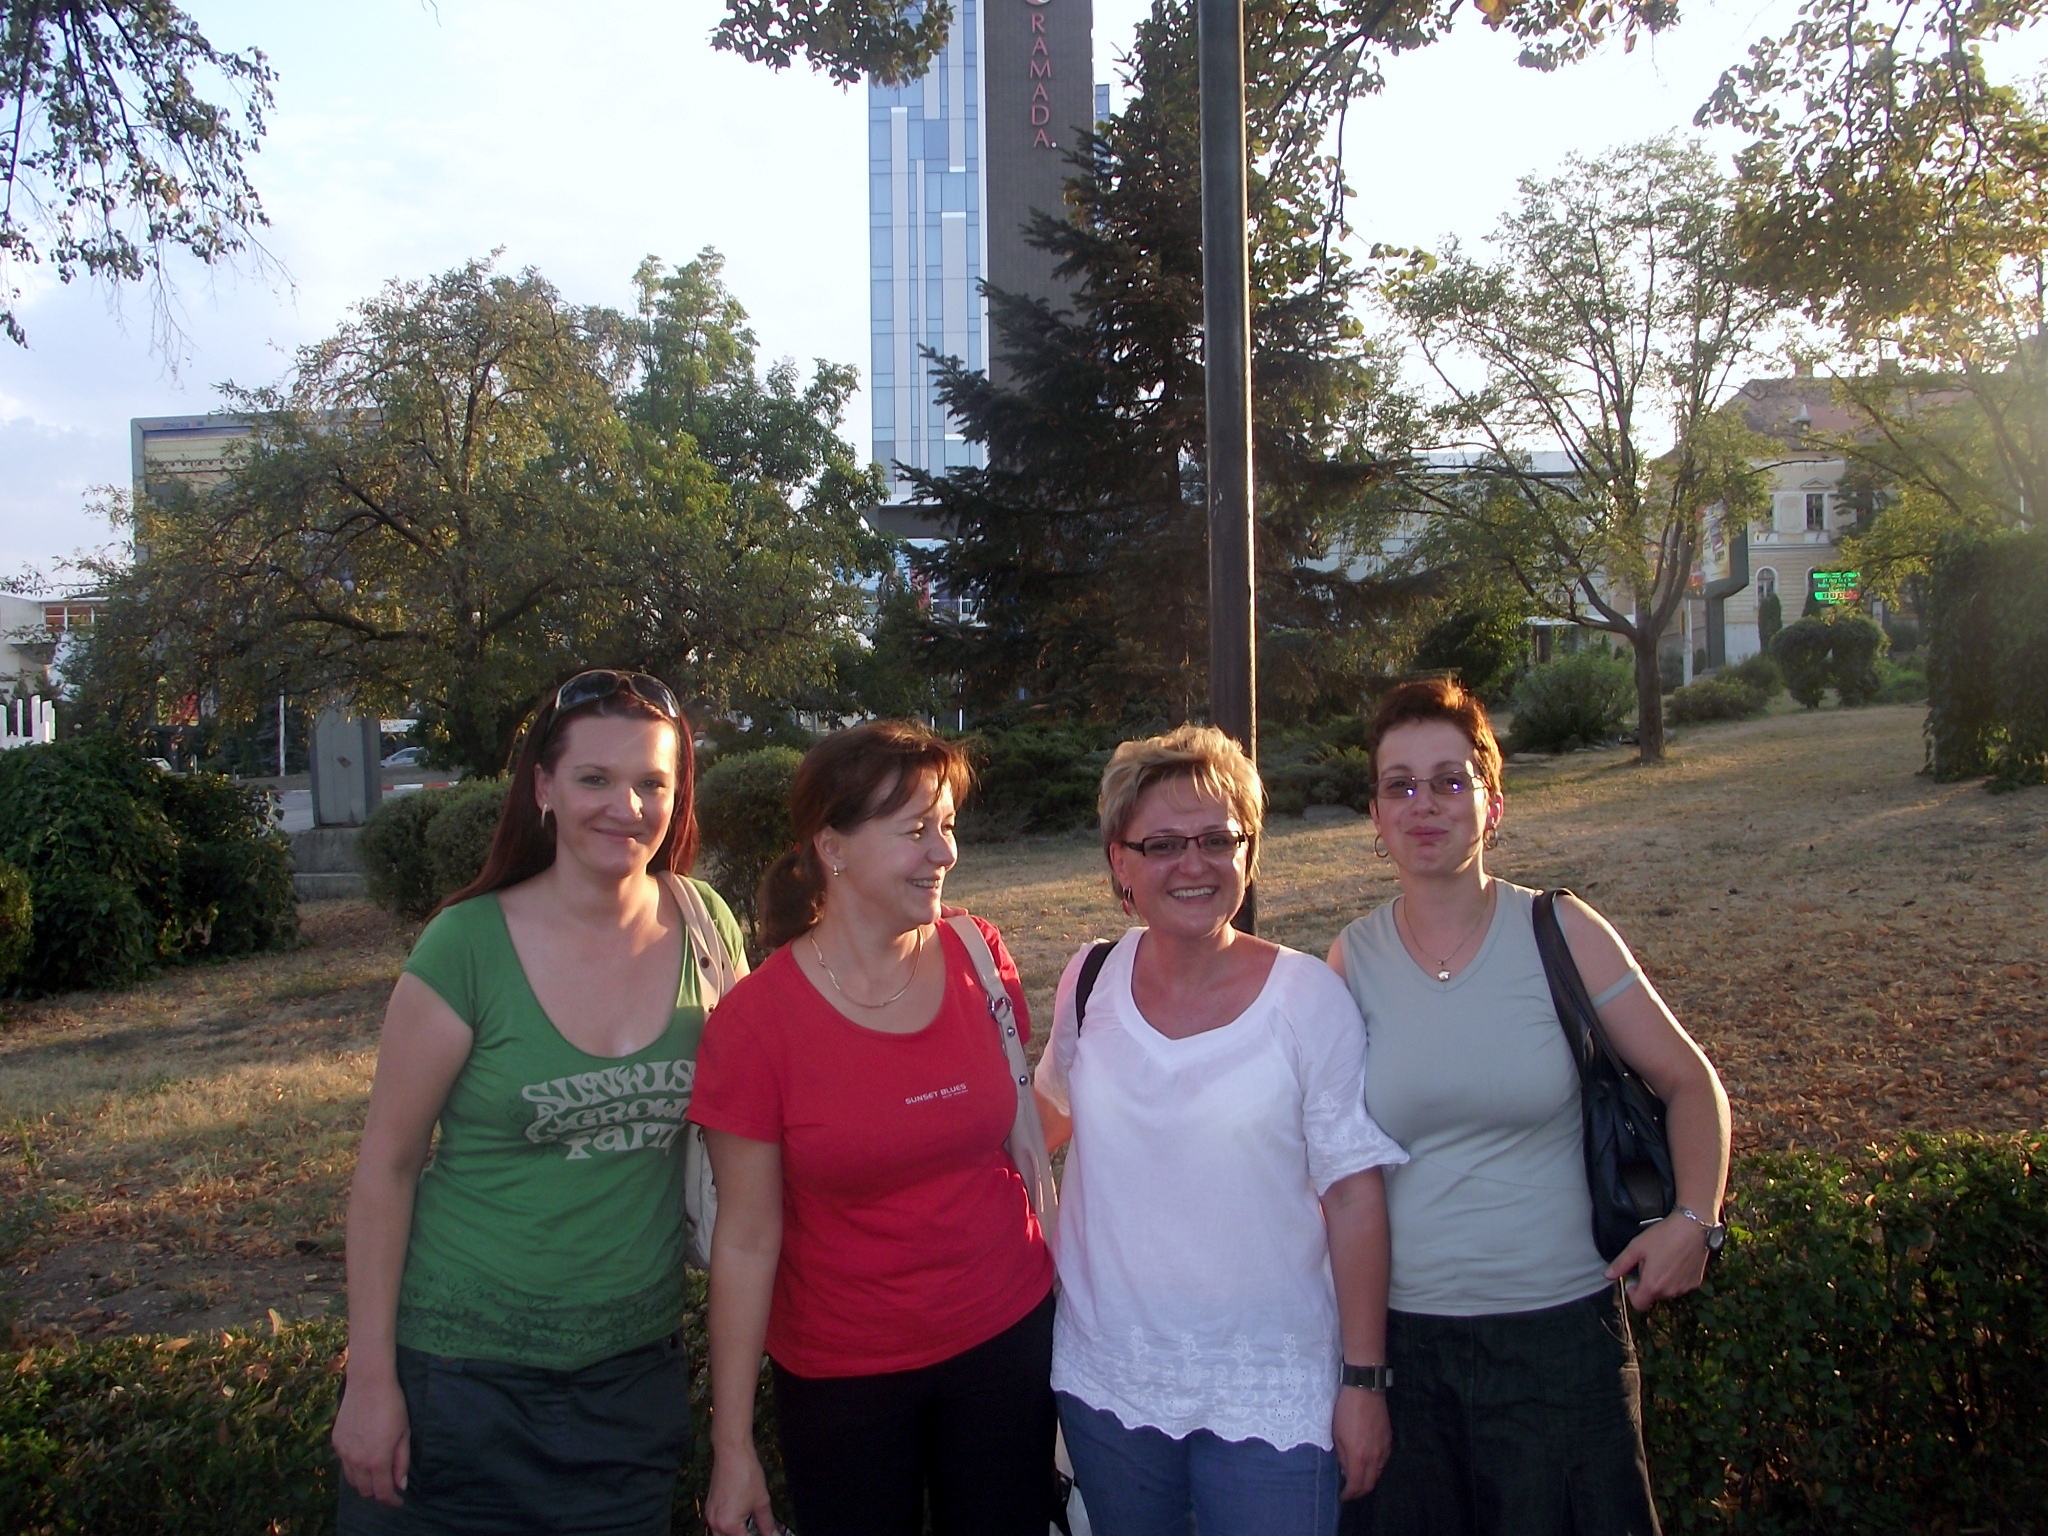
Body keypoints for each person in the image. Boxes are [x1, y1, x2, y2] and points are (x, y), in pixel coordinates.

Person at [332, 670, 748, 1536]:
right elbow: (386, 1170)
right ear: (544, 789)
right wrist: (370, 1381)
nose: (626, 807)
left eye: (652, 783)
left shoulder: (706, 927)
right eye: (595, 778)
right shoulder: (466, 945)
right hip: (458, 1383)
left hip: (632, 1386)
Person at [1328, 678, 1732, 1536]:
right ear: (1375, 815)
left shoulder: (1562, 931)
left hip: (1562, 1346)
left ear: (1493, 803)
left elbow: (1690, 1082)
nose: (1424, 804)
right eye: (1400, 785)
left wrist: (1695, 1221)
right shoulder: (1349, 961)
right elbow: (1330, 1164)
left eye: (1450, 780)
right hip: (1407, 1350)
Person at [1035, 724, 1409, 1536]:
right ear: (1120, 862)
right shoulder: (1089, 980)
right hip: (1108, 1382)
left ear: (1250, 851)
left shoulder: (1308, 999)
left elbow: (1354, 1198)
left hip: (1271, 1393)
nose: (1193, 865)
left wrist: (1364, 1382)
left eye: (1217, 840)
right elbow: (1047, 1119)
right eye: (1163, 844)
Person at [688, 720, 1057, 1536]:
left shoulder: (978, 956)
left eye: (948, 826)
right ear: (833, 846)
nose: (944, 852)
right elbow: (746, 1240)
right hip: (843, 1379)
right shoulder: (756, 1024)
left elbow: (1011, 1129)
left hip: (1007, 1337)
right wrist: (732, 1445)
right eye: (916, 830)